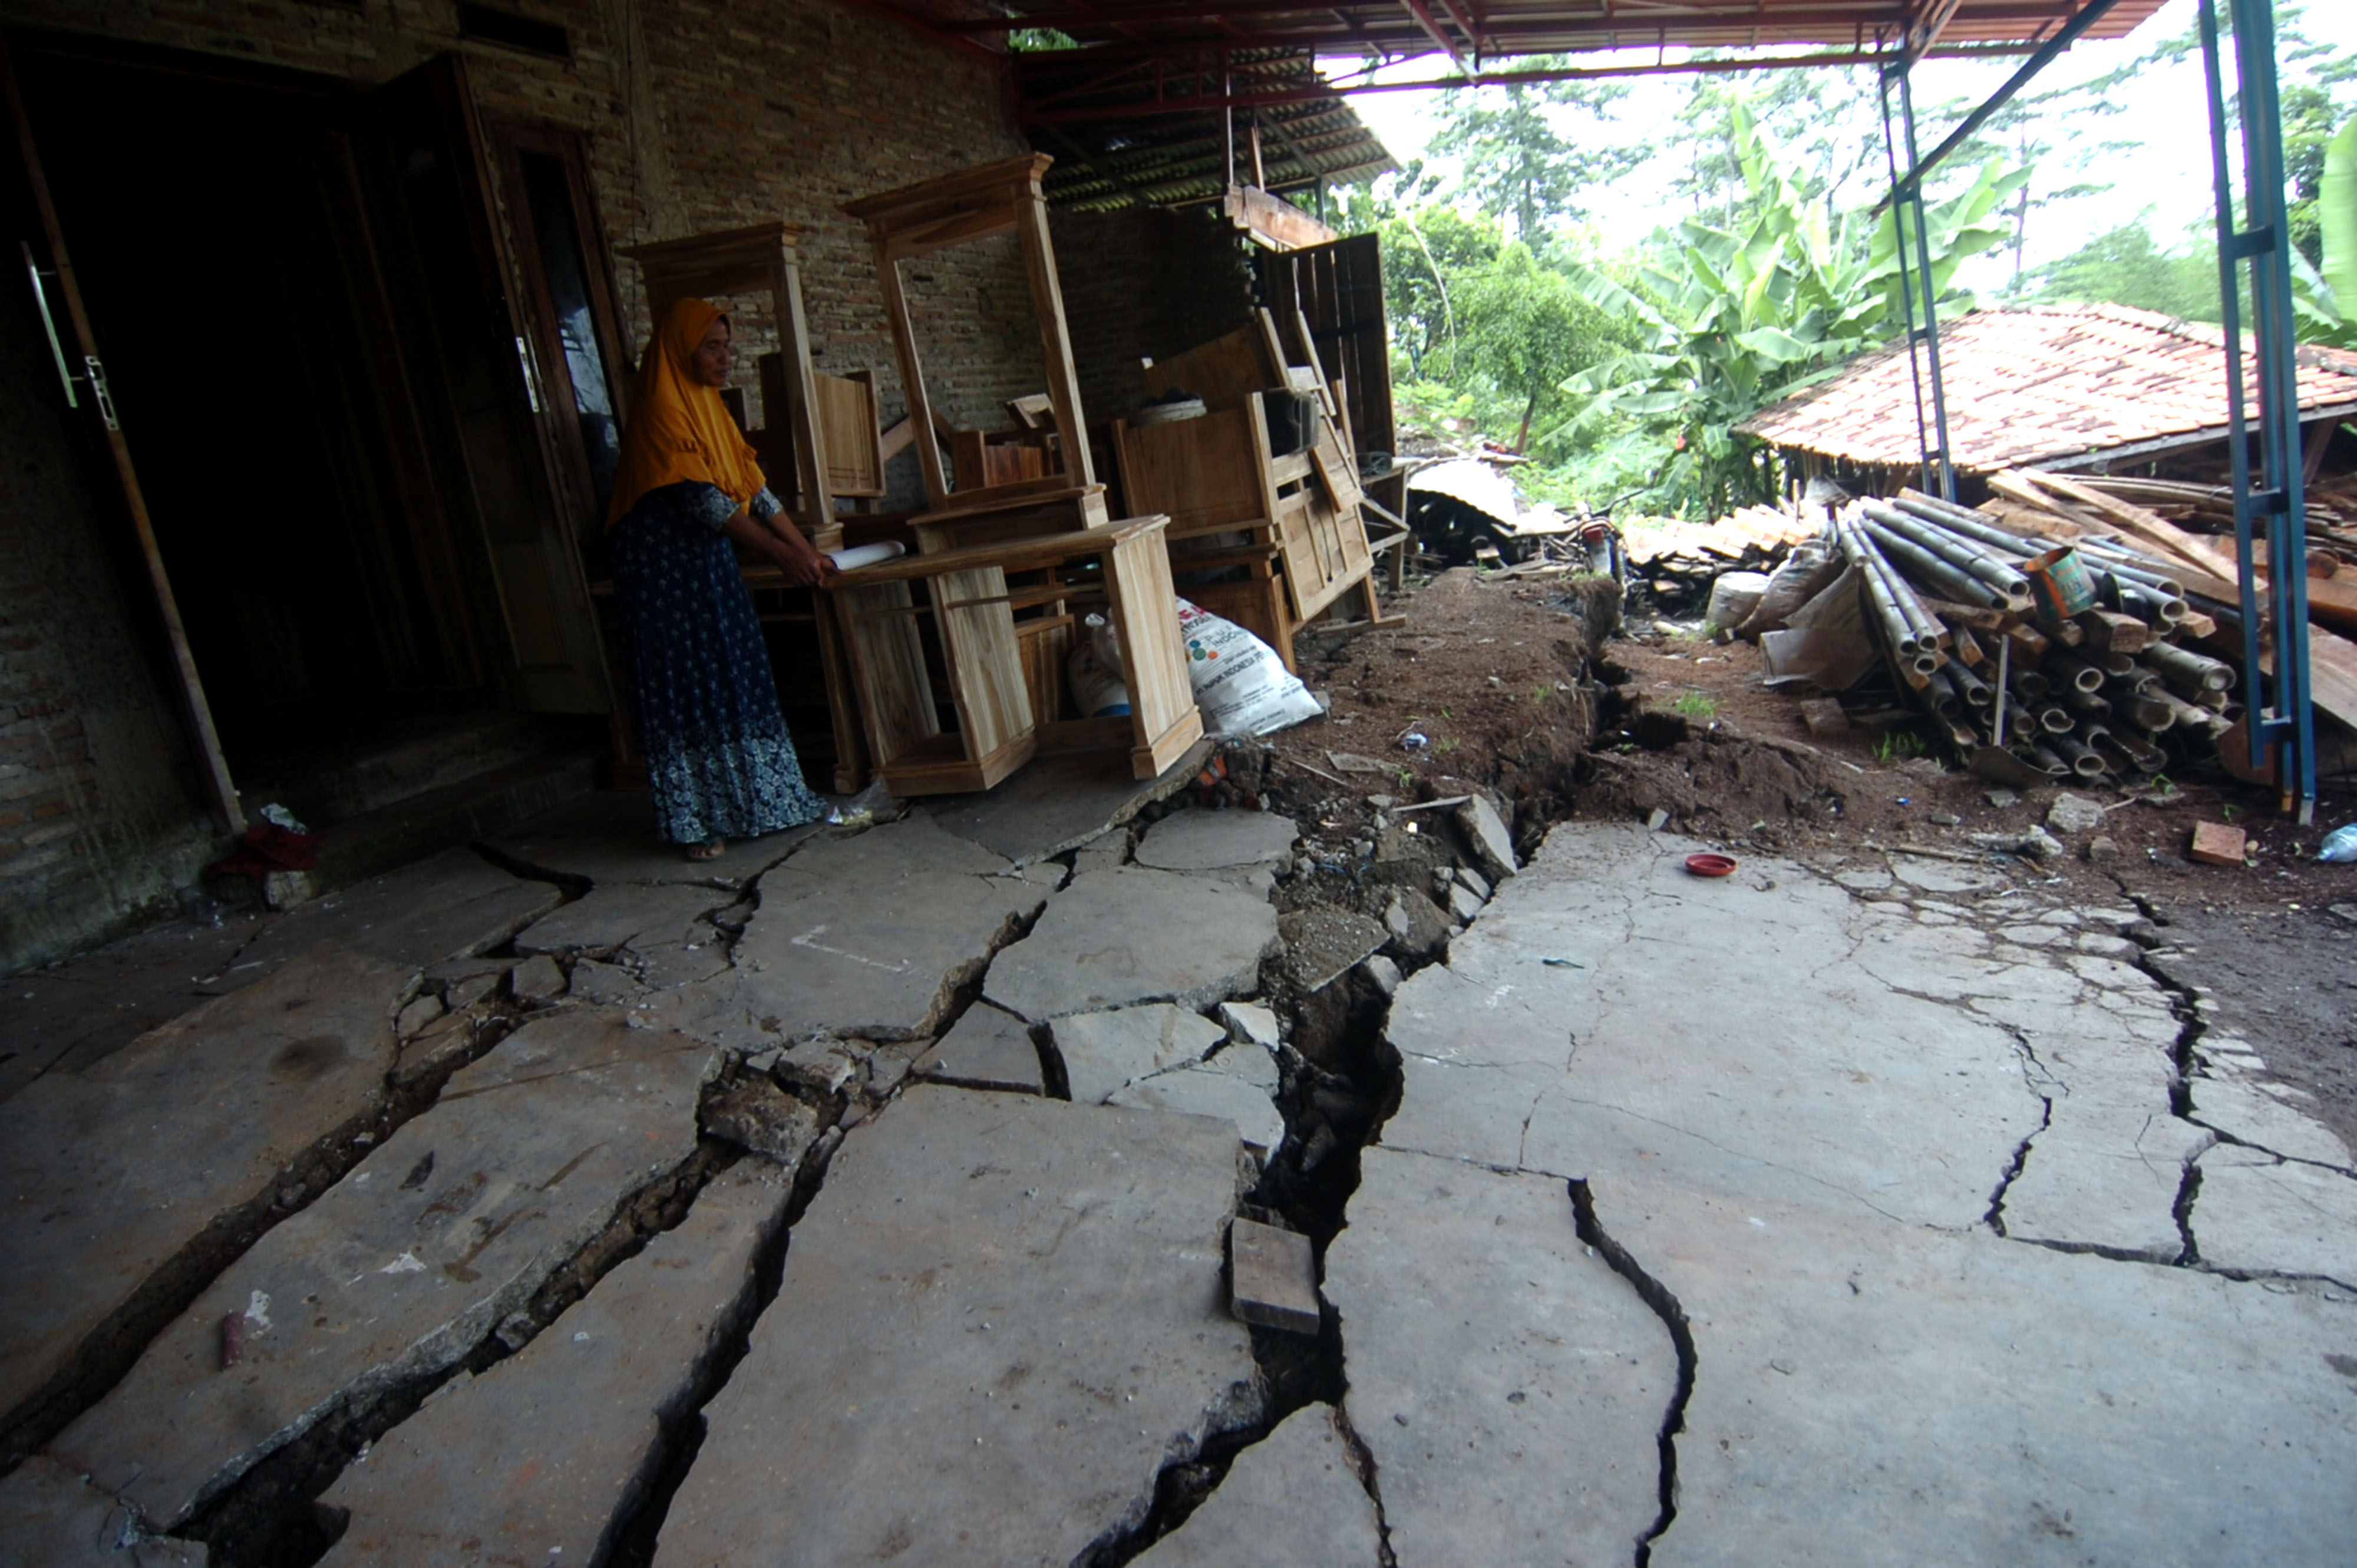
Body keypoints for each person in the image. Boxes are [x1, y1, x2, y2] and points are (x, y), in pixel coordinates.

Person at [606, 296, 837, 860]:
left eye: (728, 346)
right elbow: (702, 500)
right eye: (713, 346)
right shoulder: (663, 408)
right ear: (682, 350)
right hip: (664, 574)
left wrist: (806, 548)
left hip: (707, 565)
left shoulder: (710, 407)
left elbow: (751, 486)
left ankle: (764, 803)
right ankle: (696, 822)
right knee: (688, 684)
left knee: (735, 668)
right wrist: (783, 557)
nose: (725, 357)